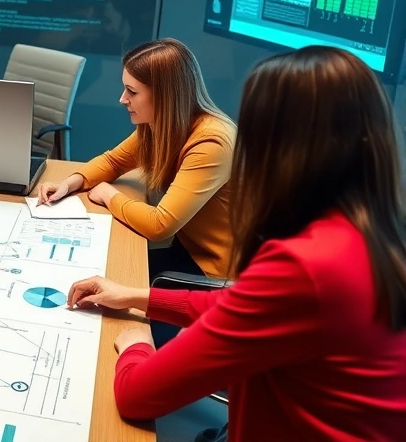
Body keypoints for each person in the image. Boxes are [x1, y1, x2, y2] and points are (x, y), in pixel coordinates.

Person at [68, 46, 406, 441]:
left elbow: (135, 395)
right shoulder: (365, 238)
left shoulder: (302, 266)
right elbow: (242, 304)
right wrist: (136, 295)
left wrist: (137, 346)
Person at [36, 38, 235, 280]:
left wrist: (109, 195)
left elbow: (159, 225)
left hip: (216, 275)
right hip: (189, 252)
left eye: (132, 91)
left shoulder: (211, 142)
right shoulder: (162, 126)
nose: (122, 99)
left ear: (165, 96)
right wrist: (69, 183)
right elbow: (113, 161)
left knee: (109, 284)